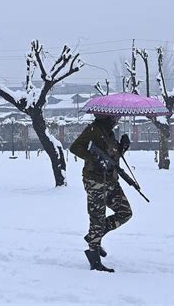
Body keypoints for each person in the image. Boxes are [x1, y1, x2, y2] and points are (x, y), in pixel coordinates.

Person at [69, 114, 132, 273]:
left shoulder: (109, 133)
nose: (116, 120)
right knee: (97, 217)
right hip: (95, 181)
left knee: (125, 212)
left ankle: (94, 236)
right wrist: (94, 158)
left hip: (111, 181)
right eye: (114, 117)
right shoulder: (93, 130)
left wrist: (122, 147)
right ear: (106, 117)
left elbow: (112, 156)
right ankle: (94, 257)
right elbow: (75, 147)